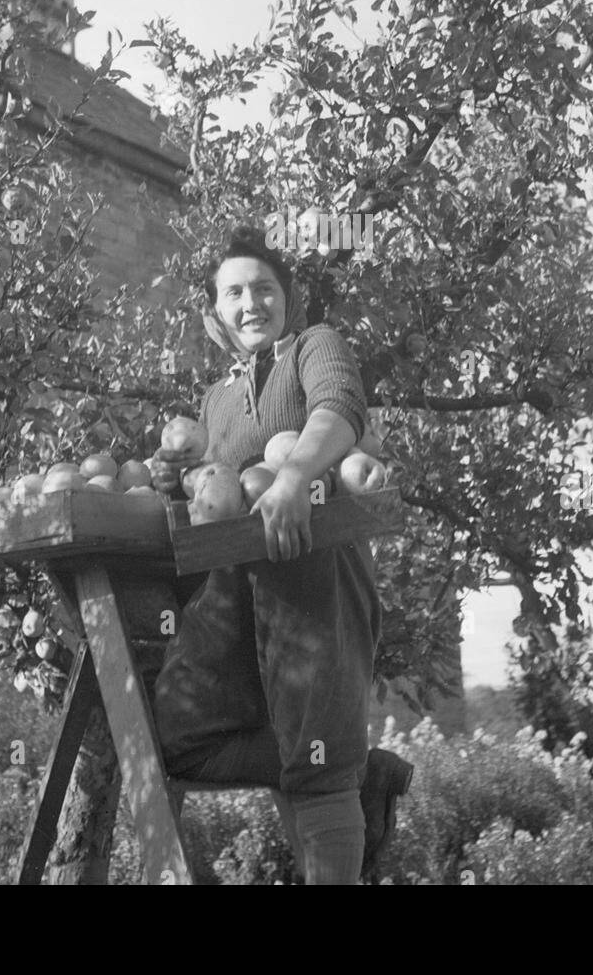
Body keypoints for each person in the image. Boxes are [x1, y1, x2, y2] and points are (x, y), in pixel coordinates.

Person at [148, 224, 412, 884]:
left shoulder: (313, 348)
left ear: (286, 300)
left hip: (315, 587)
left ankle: (340, 778)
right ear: (216, 316)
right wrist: (177, 473)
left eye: (264, 288)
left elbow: (340, 410)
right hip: (237, 595)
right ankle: (358, 775)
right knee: (183, 736)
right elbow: (216, 489)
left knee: (317, 758)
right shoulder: (216, 401)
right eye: (234, 292)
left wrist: (295, 476)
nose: (252, 303)